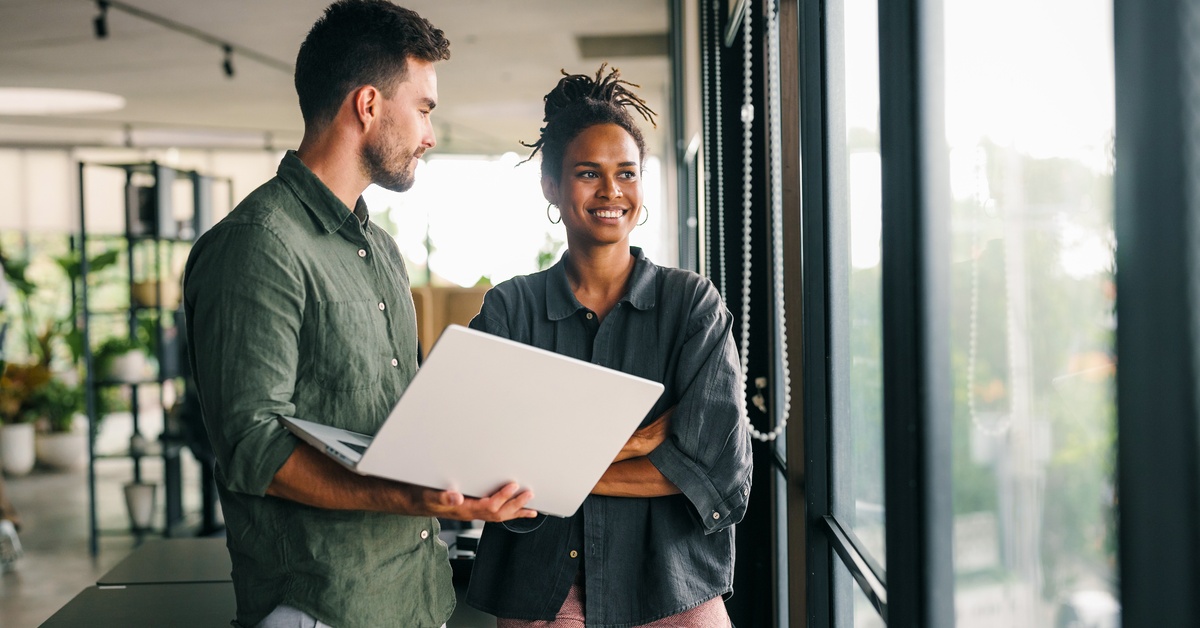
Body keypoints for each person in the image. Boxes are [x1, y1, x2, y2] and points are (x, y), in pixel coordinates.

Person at [182, 2, 536, 627]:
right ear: (369, 105)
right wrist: (407, 496)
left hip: (412, 596)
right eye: (424, 108)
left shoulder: (381, 251)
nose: (430, 134)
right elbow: (251, 446)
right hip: (322, 606)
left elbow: (397, 415)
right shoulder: (256, 243)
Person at [464, 64, 753, 628]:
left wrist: (554, 471)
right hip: (545, 600)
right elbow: (481, 456)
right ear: (551, 185)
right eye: (588, 173)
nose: (611, 191)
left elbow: (719, 470)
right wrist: (637, 445)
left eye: (627, 172)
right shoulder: (509, 310)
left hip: (674, 594)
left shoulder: (691, 306)